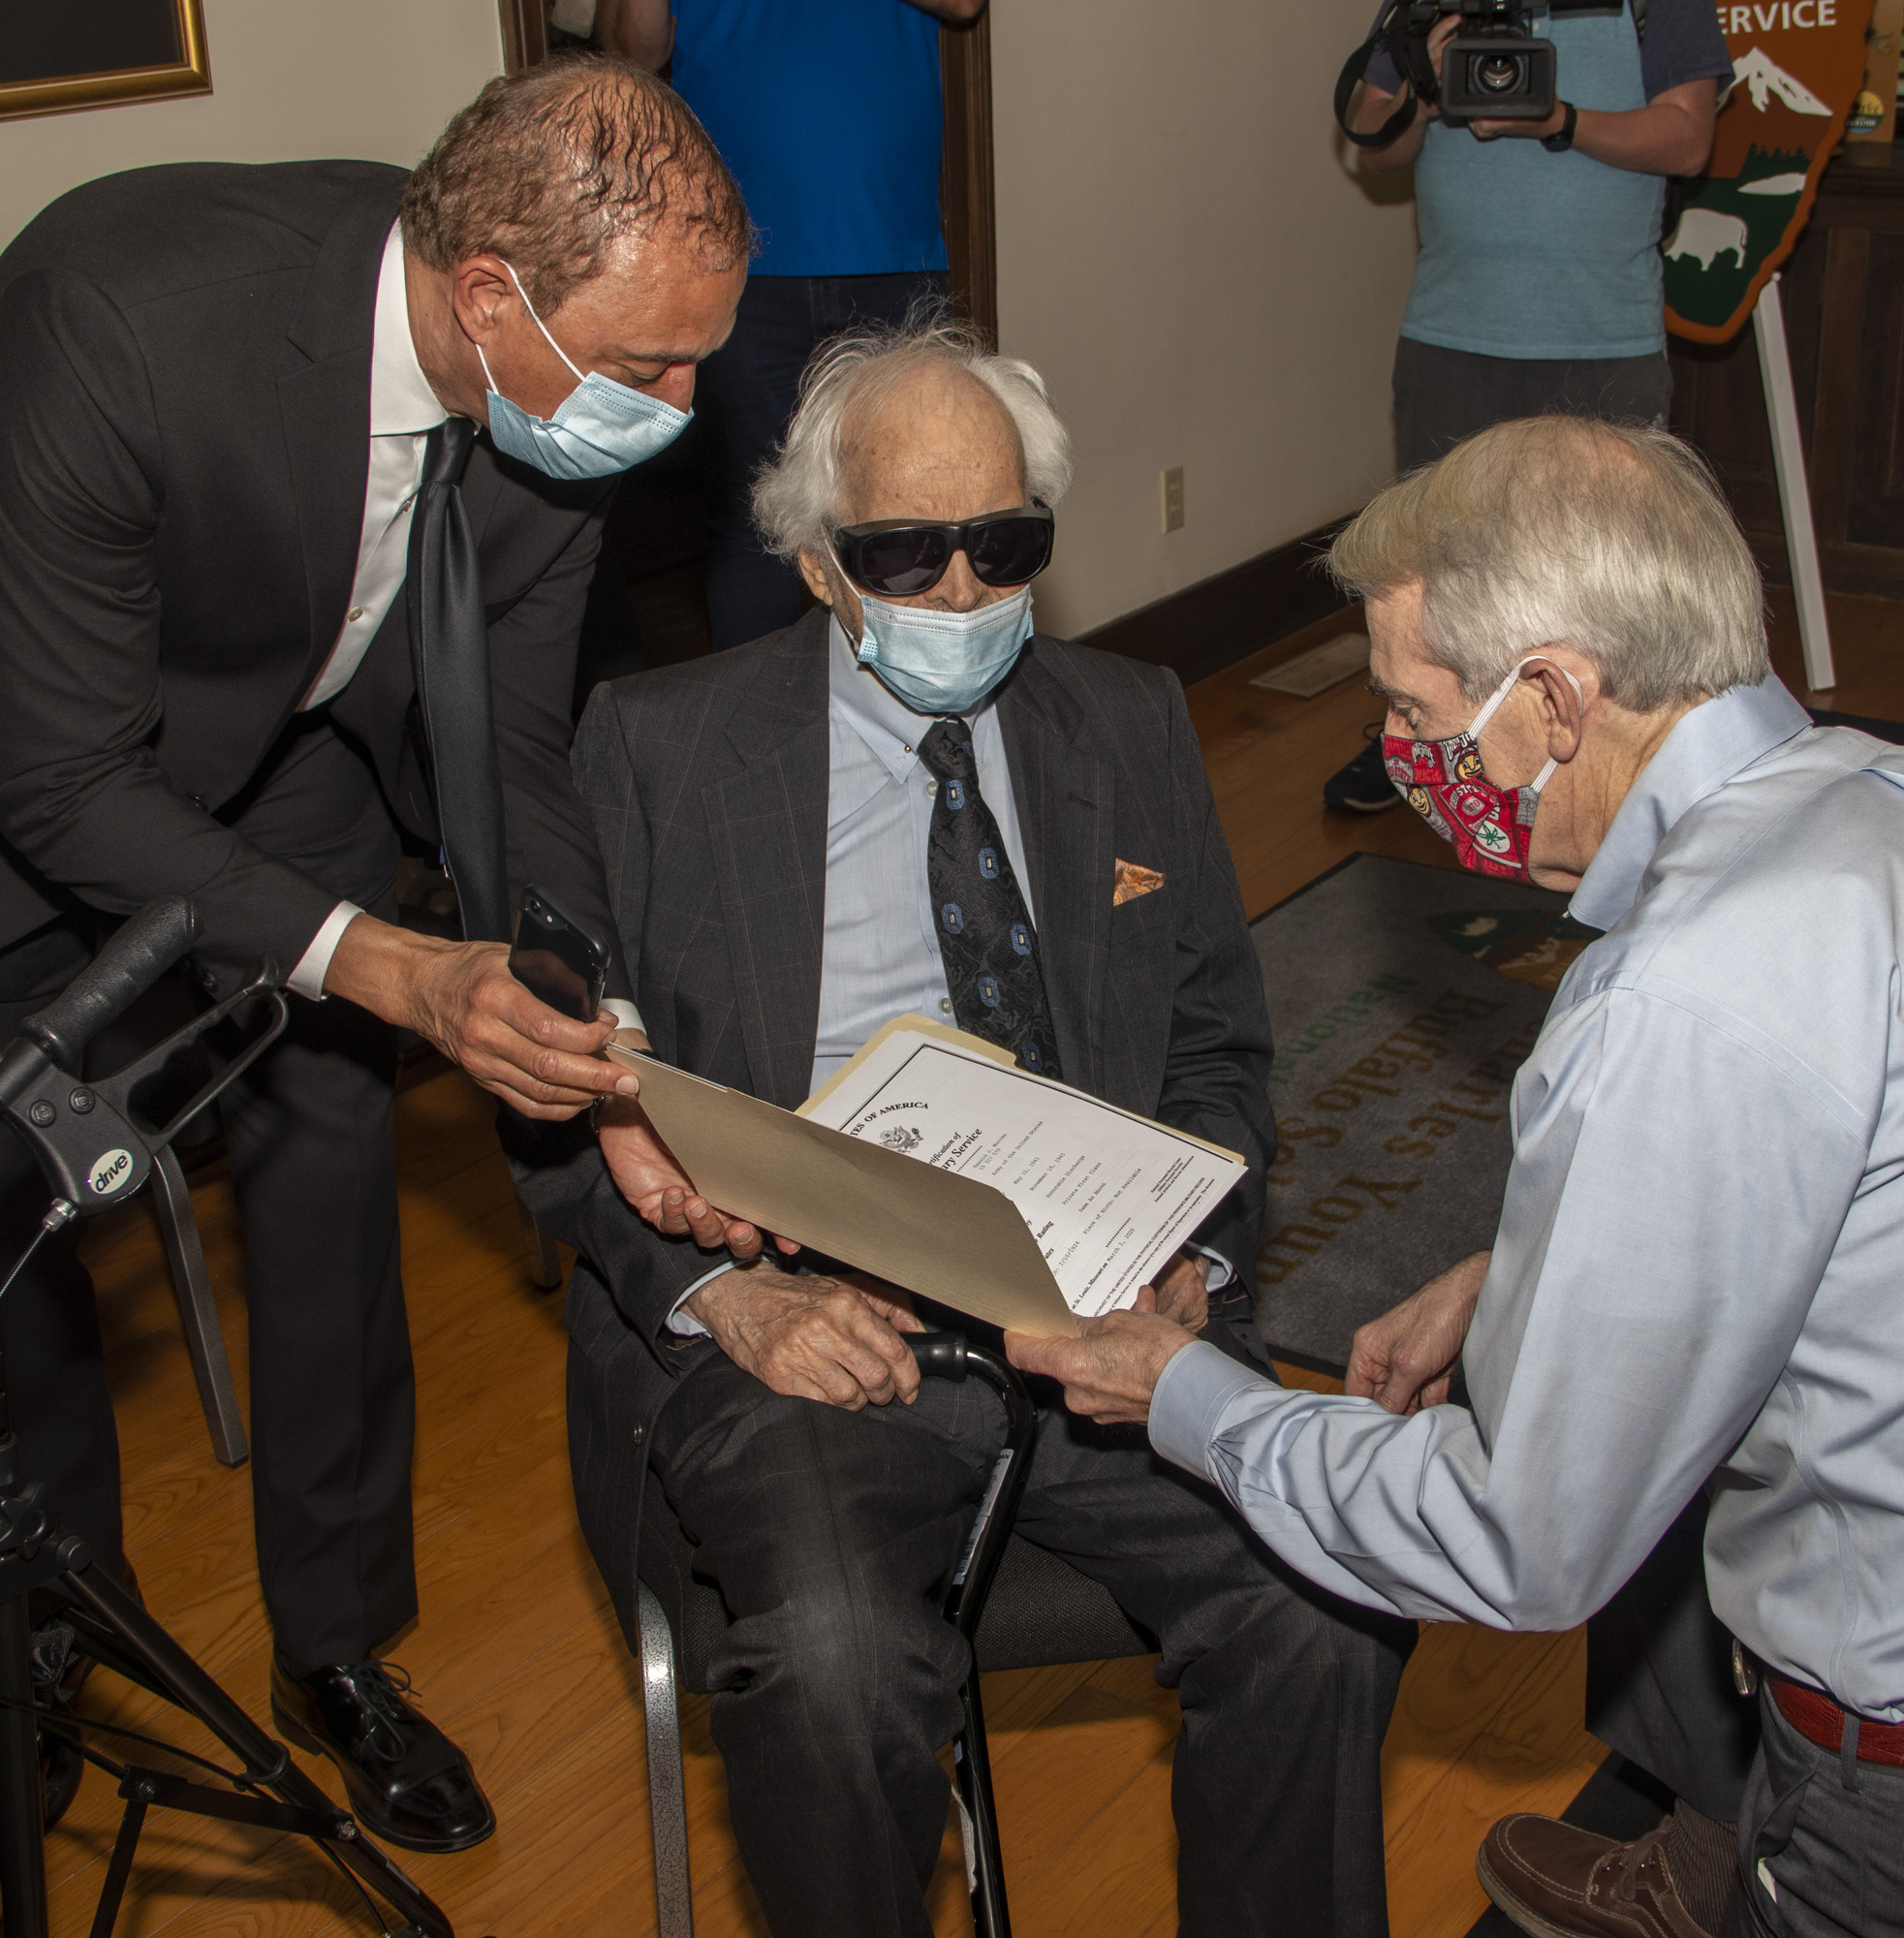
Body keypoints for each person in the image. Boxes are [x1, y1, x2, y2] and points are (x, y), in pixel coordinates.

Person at [1015, 418, 1904, 1938]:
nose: (1406, 763)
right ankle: (1715, 1851)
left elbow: (1523, 1542)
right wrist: (1531, 1270)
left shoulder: (1682, 993)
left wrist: (1181, 1391)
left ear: (1560, 698)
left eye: (1417, 716)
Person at [0, 62, 751, 1854]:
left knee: (330, 1174)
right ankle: (39, 1647)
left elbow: (511, 759)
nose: (681, 408)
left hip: (274, 721)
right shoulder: (126, 314)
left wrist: (595, 1036)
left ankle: (336, 1647)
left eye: (700, 360)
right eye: (652, 368)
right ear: (484, 295)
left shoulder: (551, 395)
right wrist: (382, 960)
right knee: (22, 1243)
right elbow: (58, 777)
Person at [515, 320, 1412, 1938]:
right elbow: (561, 1115)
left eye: (1003, 548)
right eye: (903, 554)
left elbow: (1216, 1043)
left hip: (1101, 1313)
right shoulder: (658, 753)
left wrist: (1194, 1262)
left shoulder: (1126, 721)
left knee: (1328, 1594)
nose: (957, 598)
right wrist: (733, 1297)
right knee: (839, 1668)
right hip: (805, 1320)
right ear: (810, 563)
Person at [1322, 0, 1730, 813]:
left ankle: (1616, 774)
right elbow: (1378, 144)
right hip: (1453, 331)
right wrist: (1424, 81)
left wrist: (1557, 119)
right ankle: (1427, 754)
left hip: (1603, 332)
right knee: (1432, 567)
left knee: (1616, 572)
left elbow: (1688, 139)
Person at [598, 0, 983, 651]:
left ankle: (913, 734)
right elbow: (628, 55)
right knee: (757, 529)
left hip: (888, 252)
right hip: (732, 266)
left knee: (913, 508)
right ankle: (764, 740)